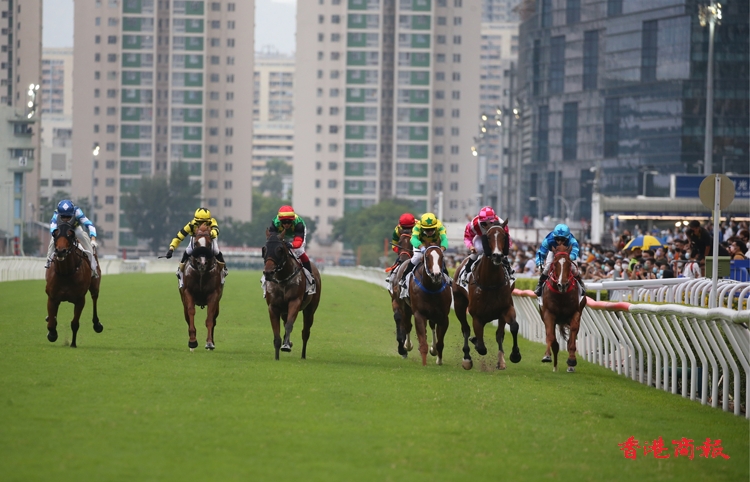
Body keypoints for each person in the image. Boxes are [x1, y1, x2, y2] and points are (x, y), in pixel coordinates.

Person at [165, 207, 227, 277]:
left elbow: (216, 230)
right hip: (196, 237)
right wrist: (171, 248)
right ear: (195, 220)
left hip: (210, 237)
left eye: (204, 222)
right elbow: (179, 236)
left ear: (208, 220)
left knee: (215, 250)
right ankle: (180, 270)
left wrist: (212, 233)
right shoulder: (191, 225)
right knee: (188, 251)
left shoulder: (212, 221)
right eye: (199, 222)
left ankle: (224, 269)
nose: (202, 224)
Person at [45, 199, 99, 278]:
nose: (66, 219)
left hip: (74, 229)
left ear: (73, 213)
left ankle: (93, 268)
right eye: (63, 217)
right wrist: (55, 235)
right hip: (61, 230)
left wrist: (93, 239)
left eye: (68, 217)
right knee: (53, 240)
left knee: (81, 235)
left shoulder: (77, 212)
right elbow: (52, 227)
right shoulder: (56, 213)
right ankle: (48, 260)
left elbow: (90, 225)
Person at [267, 205, 315, 291]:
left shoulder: (299, 223)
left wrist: (292, 245)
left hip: (297, 234)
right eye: (284, 222)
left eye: (289, 222)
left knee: (299, 251)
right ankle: (265, 280)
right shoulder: (275, 223)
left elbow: (298, 241)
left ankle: (310, 279)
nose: (286, 224)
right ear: (280, 221)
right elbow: (272, 238)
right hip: (282, 234)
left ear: (292, 220)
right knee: (272, 251)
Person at [461, 206, 514, 283]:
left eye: (491, 222)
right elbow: (467, 237)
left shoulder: (501, 224)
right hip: (481, 236)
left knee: (500, 251)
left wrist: (505, 249)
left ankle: (509, 271)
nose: (488, 225)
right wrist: (471, 246)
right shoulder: (473, 225)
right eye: (484, 223)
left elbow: (507, 238)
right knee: (479, 249)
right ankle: (467, 270)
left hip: (495, 237)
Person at [400, 212, 449, 286]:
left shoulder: (440, 226)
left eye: (432, 229)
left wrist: (441, 250)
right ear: (422, 227)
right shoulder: (417, 227)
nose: (430, 232)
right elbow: (413, 239)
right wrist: (421, 248)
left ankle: (448, 279)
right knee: (417, 257)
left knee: (439, 258)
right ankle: (404, 277)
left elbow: (444, 239)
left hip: (434, 245)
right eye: (427, 230)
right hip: (420, 245)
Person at [533, 223, 580, 296]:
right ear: (554, 237)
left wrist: (569, 258)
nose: (559, 242)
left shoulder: (572, 240)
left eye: (562, 239)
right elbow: (541, 252)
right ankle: (540, 284)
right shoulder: (548, 240)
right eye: (557, 239)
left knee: (574, 269)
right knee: (547, 267)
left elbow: (575, 250)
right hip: (554, 253)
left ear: (567, 238)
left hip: (567, 254)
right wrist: (540, 263)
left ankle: (580, 284)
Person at [385, 213, 416, 282]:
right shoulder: (397, 231)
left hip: (416, 247)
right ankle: (391, 275)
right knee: (399, 259)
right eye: (404, 228)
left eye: (410, 228)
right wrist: (401, 251)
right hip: (403, 248)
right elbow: (394, 245)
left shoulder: (419, 227)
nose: (407, 230)